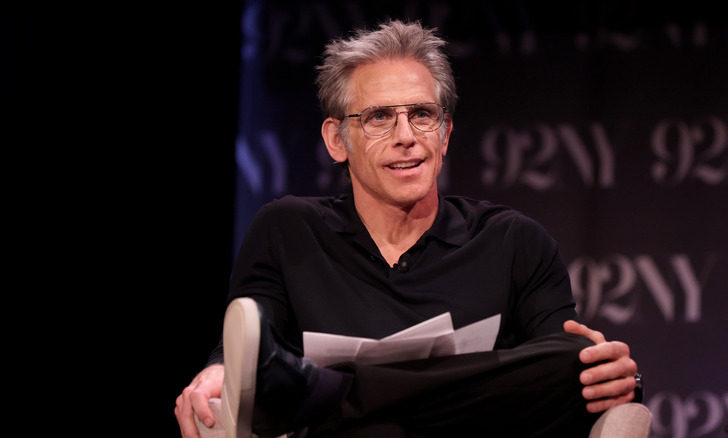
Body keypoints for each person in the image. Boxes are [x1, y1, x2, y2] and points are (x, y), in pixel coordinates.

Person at [175, 19, 639, 438]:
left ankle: (324, 392)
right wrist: (218, 371)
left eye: (422, 114)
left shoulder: (513, 240)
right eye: (378, 117)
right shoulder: (288, 229)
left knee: (567, 355)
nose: (406, 136)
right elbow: (245, 351)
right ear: (337, 140)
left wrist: (617, 375)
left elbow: (565, 373)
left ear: (445, 133)